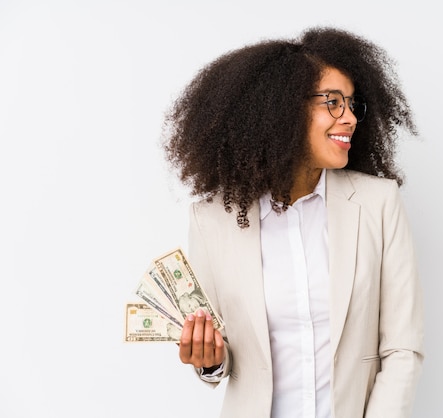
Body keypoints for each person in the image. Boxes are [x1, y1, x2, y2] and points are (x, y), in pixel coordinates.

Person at [162, 26, 424, 418]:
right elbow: (221, 361)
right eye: (332, 102)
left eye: (352, 104)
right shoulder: (212, 220)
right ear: (282, 108)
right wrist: (209, 360)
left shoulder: (377, 204)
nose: (349, 117)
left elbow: (403, 348)